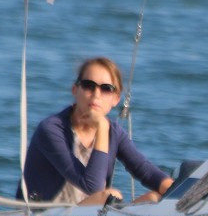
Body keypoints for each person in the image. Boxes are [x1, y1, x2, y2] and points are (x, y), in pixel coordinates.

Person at [17, 57, 173, 206]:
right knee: (111, 196)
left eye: (106, 89)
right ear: (75, 90)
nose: (96, 95)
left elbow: (146, 172)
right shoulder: (51, 129)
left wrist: (176, 191)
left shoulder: (115, 133)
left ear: (116, 99)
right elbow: (93, 188)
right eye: (88, 86)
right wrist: (102, 127)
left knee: (155, 198)